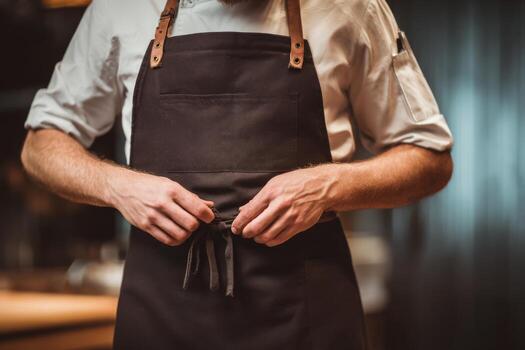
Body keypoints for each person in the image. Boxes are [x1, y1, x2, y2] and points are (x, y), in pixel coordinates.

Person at [20, 0, 454, 349]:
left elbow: (430, 159)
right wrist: (118, 186)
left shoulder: (353, 8)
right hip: (160, 312)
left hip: (306, 314)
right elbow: (41, 147)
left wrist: (327, 186)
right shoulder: (120, 9)